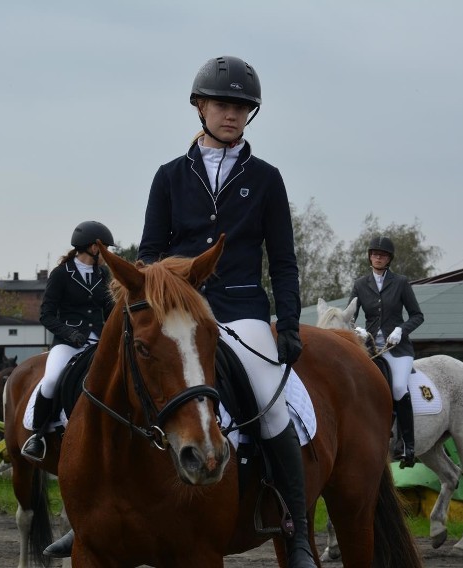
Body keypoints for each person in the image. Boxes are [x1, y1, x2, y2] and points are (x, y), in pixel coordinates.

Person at [135, 55, 312, 567]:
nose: (231, 114)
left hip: (241, 309)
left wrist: (292, 322)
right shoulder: (169, 176)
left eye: (241, 107)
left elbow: (282, 261)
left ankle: (296, 532)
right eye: (222, 104)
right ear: (200, 107)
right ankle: (92, 517)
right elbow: (149, 254)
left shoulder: (267, 178)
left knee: (271, 402)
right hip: (180, 313)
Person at [21, 220, 115, 463]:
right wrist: (68, 333)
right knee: (51, 380)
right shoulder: (61, 274)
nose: (106, 253)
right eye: (103, 247)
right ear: (92, 247)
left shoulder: (102, 274)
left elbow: (110, 309)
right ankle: (38, 435)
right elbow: (46, 315)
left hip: (99, 342)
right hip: (68, 342)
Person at [348, 235, 424, 467]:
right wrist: (355, 328)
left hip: (397, 348)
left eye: (382, 255)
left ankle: (407, 445)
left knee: (399, 387)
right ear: (370, 256)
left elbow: (417, 315)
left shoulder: (400, 282)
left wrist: (401, 329)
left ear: (389, 258)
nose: (377, 257)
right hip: (371, 348)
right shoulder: (361, 284)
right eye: (374, 254)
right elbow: (349, 315)